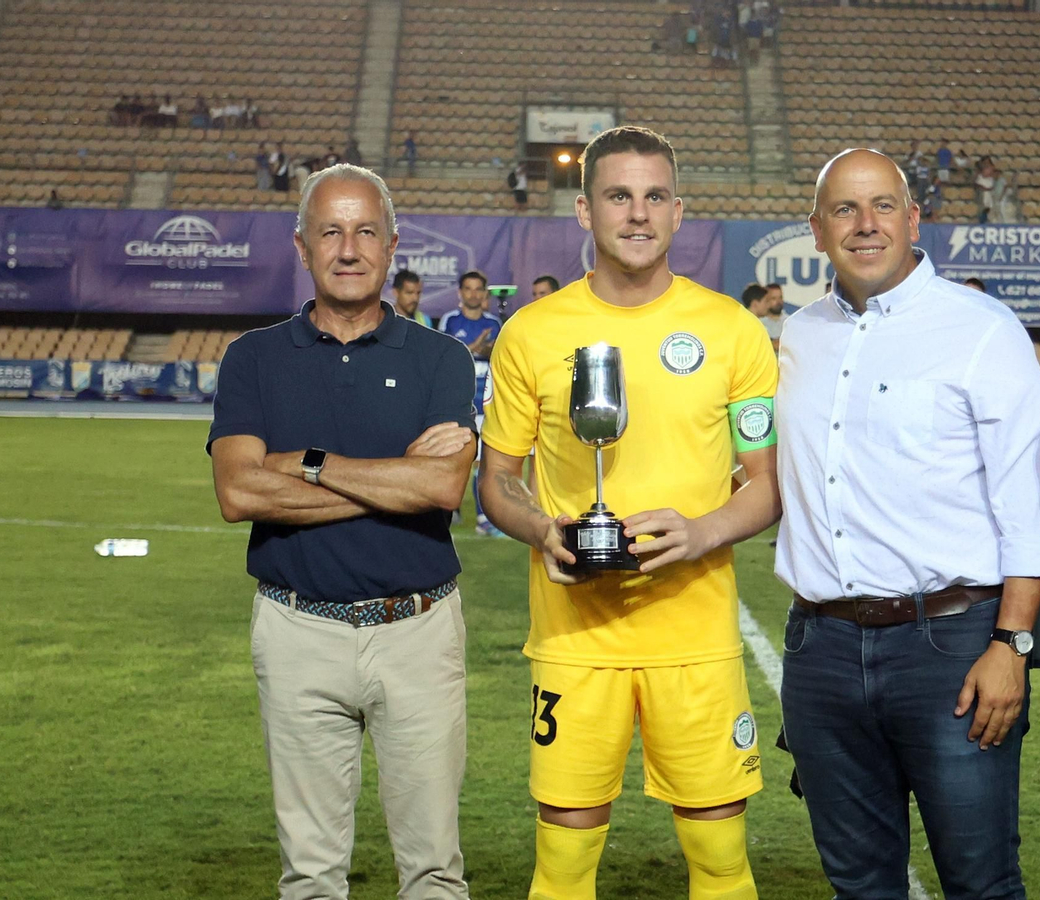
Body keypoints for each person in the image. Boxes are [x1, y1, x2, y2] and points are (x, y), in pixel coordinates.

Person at [477, 126, 778, 900]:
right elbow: (497, 480)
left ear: (679, 211)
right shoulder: (531, 333)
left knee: (723, 865)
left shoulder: (732, 330)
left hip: (696, 641)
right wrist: (543, 529)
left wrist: (703, 531)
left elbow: (768, 483)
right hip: (575, 642)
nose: (638, 214)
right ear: (584, 210)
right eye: (618, 196)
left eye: (654, 196)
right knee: (562, 871)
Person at [775, 148, 1040, 899]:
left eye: (883, 206)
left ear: (914, 218)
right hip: (821, 647)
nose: (865, 225)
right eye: (844, 209)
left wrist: (1012, 644)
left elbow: (1029, 508)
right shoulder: (799, 335)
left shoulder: (982, 329)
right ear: (817, 230)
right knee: (859, 884)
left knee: (980, 882)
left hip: (952, 646)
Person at [207, 164, 477, 900]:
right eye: (330, 232)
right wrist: (396, 484)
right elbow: (238, 491)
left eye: (365, 232)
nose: (349, 249)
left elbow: (443, 488)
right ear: (302, 247)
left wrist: (311, 465)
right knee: (310, 876)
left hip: (418, 631)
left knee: (433, 871)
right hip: (297, 631)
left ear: (392, 246)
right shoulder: (254, 357)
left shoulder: (442, 358)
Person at [438, 270, 504, 536]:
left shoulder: (495, 323)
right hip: (459, 402)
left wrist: (490, 350)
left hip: (486, 403)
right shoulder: (450, 320)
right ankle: (449, 509)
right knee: (455, 459)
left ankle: (482, 518)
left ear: (485, 293)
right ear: (460, 293)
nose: (473, 294)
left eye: (478, 289)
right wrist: (475, 347)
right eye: (468, 288)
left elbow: (501, 357)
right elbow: (445, 355)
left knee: (483, 462)